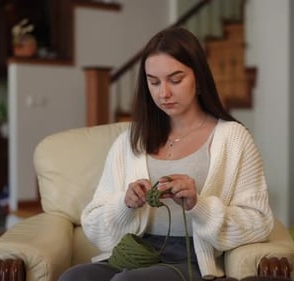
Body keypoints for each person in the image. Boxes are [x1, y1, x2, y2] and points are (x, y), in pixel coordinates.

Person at [58, 26, 274, 281]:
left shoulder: (233, 138)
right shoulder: (129, 142)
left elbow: (259, 222)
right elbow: (93, 225)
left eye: (176, 79)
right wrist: (124, 204)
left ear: (199, 77)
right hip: (137, 252)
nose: (164, 93)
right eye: (154, 82)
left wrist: (199, 205)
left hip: (192, 258)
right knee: (73, 278)